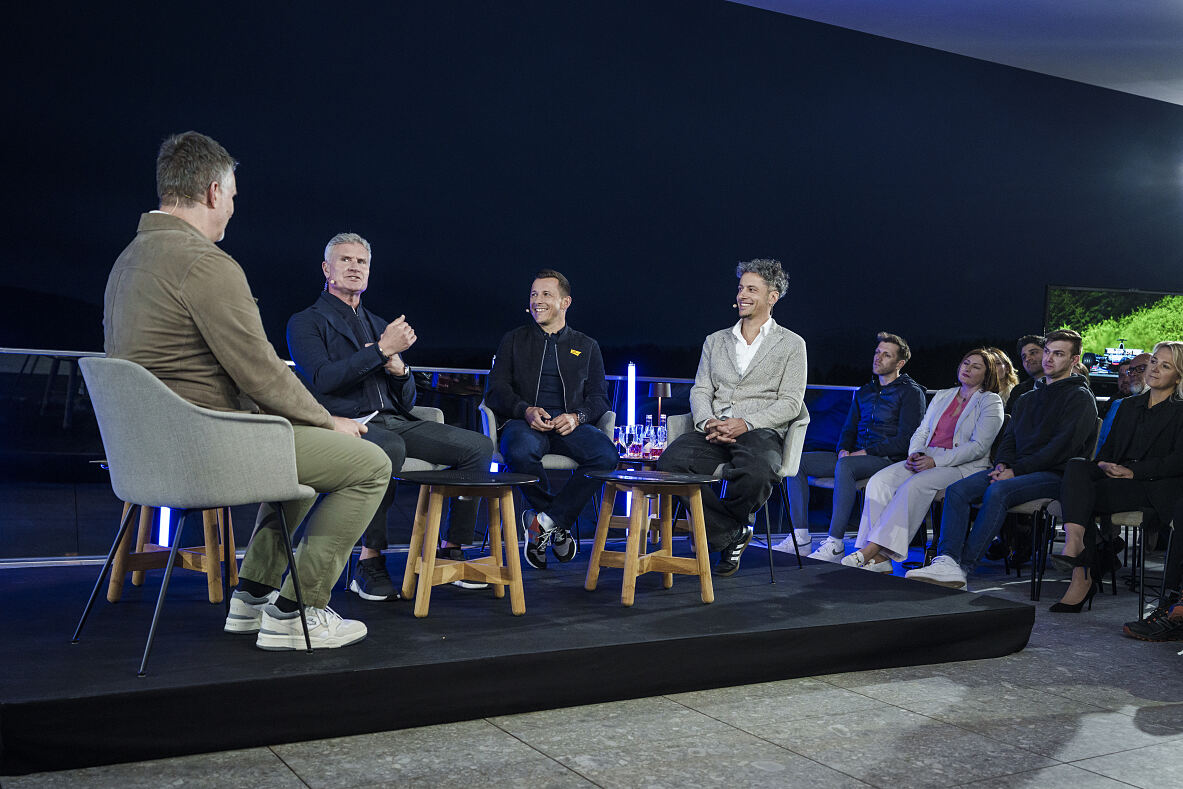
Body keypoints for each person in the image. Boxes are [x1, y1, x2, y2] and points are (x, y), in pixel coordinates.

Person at [103, 132, 388, 650]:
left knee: (302, 463)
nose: (233, 208)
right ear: (213, 191)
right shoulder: (204, 264)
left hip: (149, 452)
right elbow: (261, 373)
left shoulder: (130, 260)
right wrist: (328, 421)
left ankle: (252, 597)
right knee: (367, 463)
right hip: (206, 449)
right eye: (232, 195)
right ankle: (299, 613)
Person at [287, 232, 494, 600]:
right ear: (326, 269)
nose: (355, 267)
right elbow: (323, 379)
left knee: (478, 446)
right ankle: (370, 559)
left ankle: (451, 547)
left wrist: (400, 371)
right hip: (346, 424)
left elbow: (407, 397)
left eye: (362, 262)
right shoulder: (306, 322)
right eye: (346, 260)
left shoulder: (378, 322)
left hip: (395, 420)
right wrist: (381, 350)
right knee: (390, 448)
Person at [905, 330, 1097, 590]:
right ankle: (946, 560)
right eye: (1049, 352)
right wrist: (1003, 464)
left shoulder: (1080, 398)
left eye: (1059, 354)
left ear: (1074, 361)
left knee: (998, 491)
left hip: (1055, 475)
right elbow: (1009, 438)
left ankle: (963, 567)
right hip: (1015, 470)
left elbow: (1062, 449)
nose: (1049, 359)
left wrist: (1015, 471)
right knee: (957, 491)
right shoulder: (1028, 397)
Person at [657, 259, 807, 576]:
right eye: (741, 288)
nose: (742, 295)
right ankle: (731, 532)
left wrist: (746, 423)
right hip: (713, 429)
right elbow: (700, 390)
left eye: (752, 289)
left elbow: (791, 403)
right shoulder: (715, 340)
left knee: (760, 472)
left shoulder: (792, 345)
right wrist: (708, 421)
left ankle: (723, 528)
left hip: (759, 431)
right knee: (671, 463)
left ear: (773, 296)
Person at [486, 269, 618, 570]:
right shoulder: (513, 340)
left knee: (606, 455)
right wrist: (524, 410)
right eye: (533, 294)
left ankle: (543, 522)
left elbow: (599, 398)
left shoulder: (587, 346)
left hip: (569, 424)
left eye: (546, 294)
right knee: (520, 451)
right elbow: (496, 390)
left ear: (565, 302)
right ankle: (556, 524)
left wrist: (577, 416)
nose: (537, 301)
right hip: (524, 421)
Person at [840, 350, 1004, 571]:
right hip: (927, 455)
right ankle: (879, 560)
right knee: (880, 482)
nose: (967, 369)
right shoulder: (944, 395)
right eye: (966, 363)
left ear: (987, 374)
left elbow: (978, 447)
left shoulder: (991, 401)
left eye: (976, 367)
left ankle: (871, 551)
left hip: (962, 466)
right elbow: (922, 430)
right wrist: (915, 453)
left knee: (914, 486)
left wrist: (936, 462)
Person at [1051, 341, 1183, 612]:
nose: (1155, 369)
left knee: (1080, 498)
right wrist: (1104, 466)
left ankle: (1081, 575)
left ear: (1179, 376)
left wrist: (1132, 471)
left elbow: (1177, 462)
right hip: (1116, 478)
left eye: (1165, 365)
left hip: (1152, 486)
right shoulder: (1127, 406)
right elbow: (1107, 452)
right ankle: (1075, 542)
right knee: (1078, 467)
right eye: (1155, 361)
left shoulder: (1181, 410)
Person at [780, 332, 925, 561]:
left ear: (900, 363)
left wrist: (864, 452)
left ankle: (835, 543)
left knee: (846, 466)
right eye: (877, 352)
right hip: (854, 458)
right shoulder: (865, 391)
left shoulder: (911, 392)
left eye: (886, 355)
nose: (878, 358)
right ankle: (801, 538)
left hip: (887, 459)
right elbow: (848, 429)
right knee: (796, 462)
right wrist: (842, 449)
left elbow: (907, 439)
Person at [1005, 334, 1045, 414]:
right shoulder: (1019, 391)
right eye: (1024, 357)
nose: (1028, 359)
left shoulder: (1063, 386)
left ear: (1047, 353)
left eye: (1033, 353)